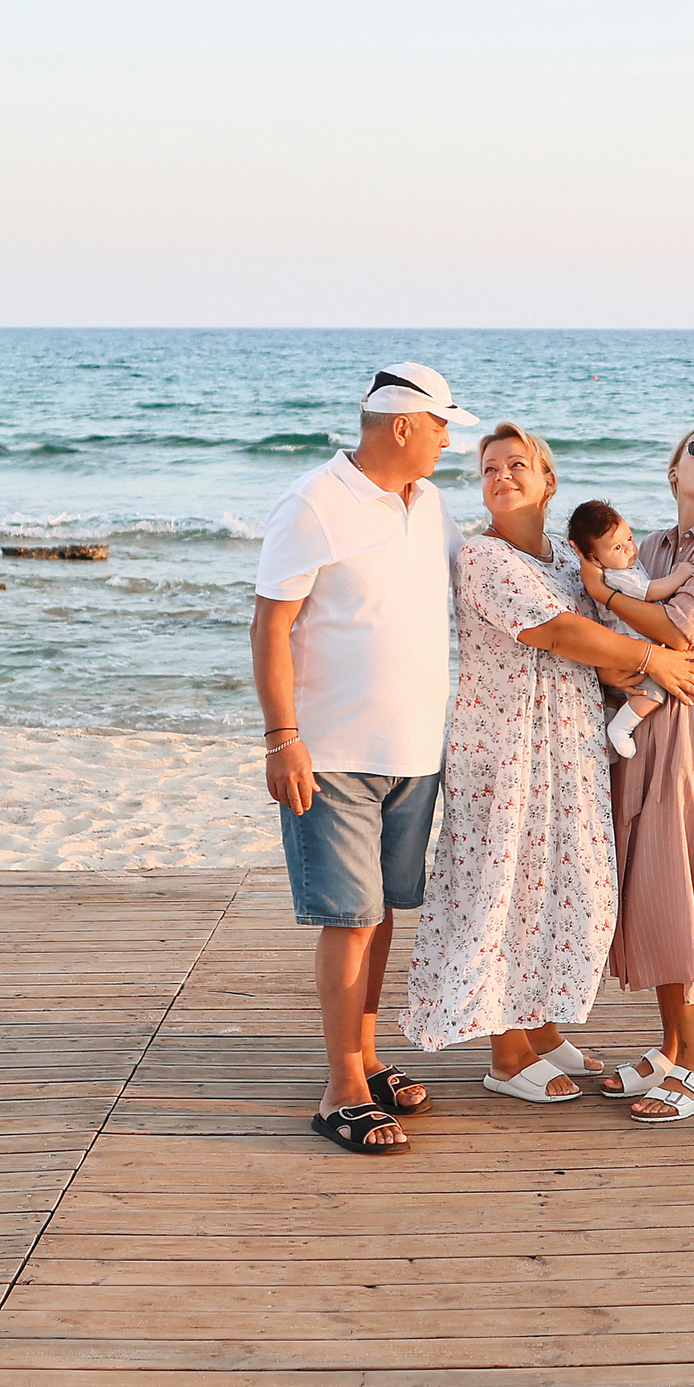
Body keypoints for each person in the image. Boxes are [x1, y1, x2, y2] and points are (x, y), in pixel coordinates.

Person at [401, 423, 694, 1102]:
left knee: (556, 884)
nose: (503, 475)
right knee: (503, 888)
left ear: (549, 481)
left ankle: (538, 1026)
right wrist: (653, 661)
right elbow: (561, 632)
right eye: (490, 467)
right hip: (507, 747)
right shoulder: (482, 558)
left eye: (518, 464)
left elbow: (613, 613)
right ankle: (507, 1053)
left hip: (569, 742)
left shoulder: (570, 562)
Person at [251, 362, 471, 1156]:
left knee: (379, 916)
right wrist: (284, 737)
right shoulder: (315, 500)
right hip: (333, 753)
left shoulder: (431, 502)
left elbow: (474, 581)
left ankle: (368, 1058)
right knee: (349, 919)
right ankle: (341, 1087)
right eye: (443, 424)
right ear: (404, 424)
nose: (450, 438)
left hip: (415, 751)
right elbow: (270, 626)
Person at [582, 424, 694, 1124]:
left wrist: (611, 599)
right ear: (672, 466)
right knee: (648, 878)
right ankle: (671, 1046)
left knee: (680, 885)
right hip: (642, 711)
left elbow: (681, 631)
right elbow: (607, 632)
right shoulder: (650, 547)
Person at [565, 498, 694, 759]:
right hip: (634, 656)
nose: (629, 549)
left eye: (629, 538)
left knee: (614, 698)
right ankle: (621, 729)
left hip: (619, 657)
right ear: (594, 559)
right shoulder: (619, 577)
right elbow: (651, 592)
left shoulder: (619, 569)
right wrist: (681, 574)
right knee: (654, 693)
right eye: (617, 547)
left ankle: (607, 740)